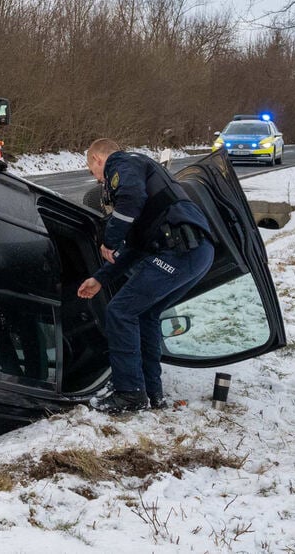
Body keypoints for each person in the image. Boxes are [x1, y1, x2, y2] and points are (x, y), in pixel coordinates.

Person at [76, 139, 215, 413]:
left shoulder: (123, 162)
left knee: (120, 311)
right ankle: (152, 394)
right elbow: (137, 249)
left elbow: (130, 198)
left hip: (178, 252)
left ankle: (129, 393)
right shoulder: (145, 190)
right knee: (145, 315)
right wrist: (100, 278)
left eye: (93, 172)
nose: (98, 180)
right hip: (196, 252)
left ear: (97, 159)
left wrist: (109, 239)